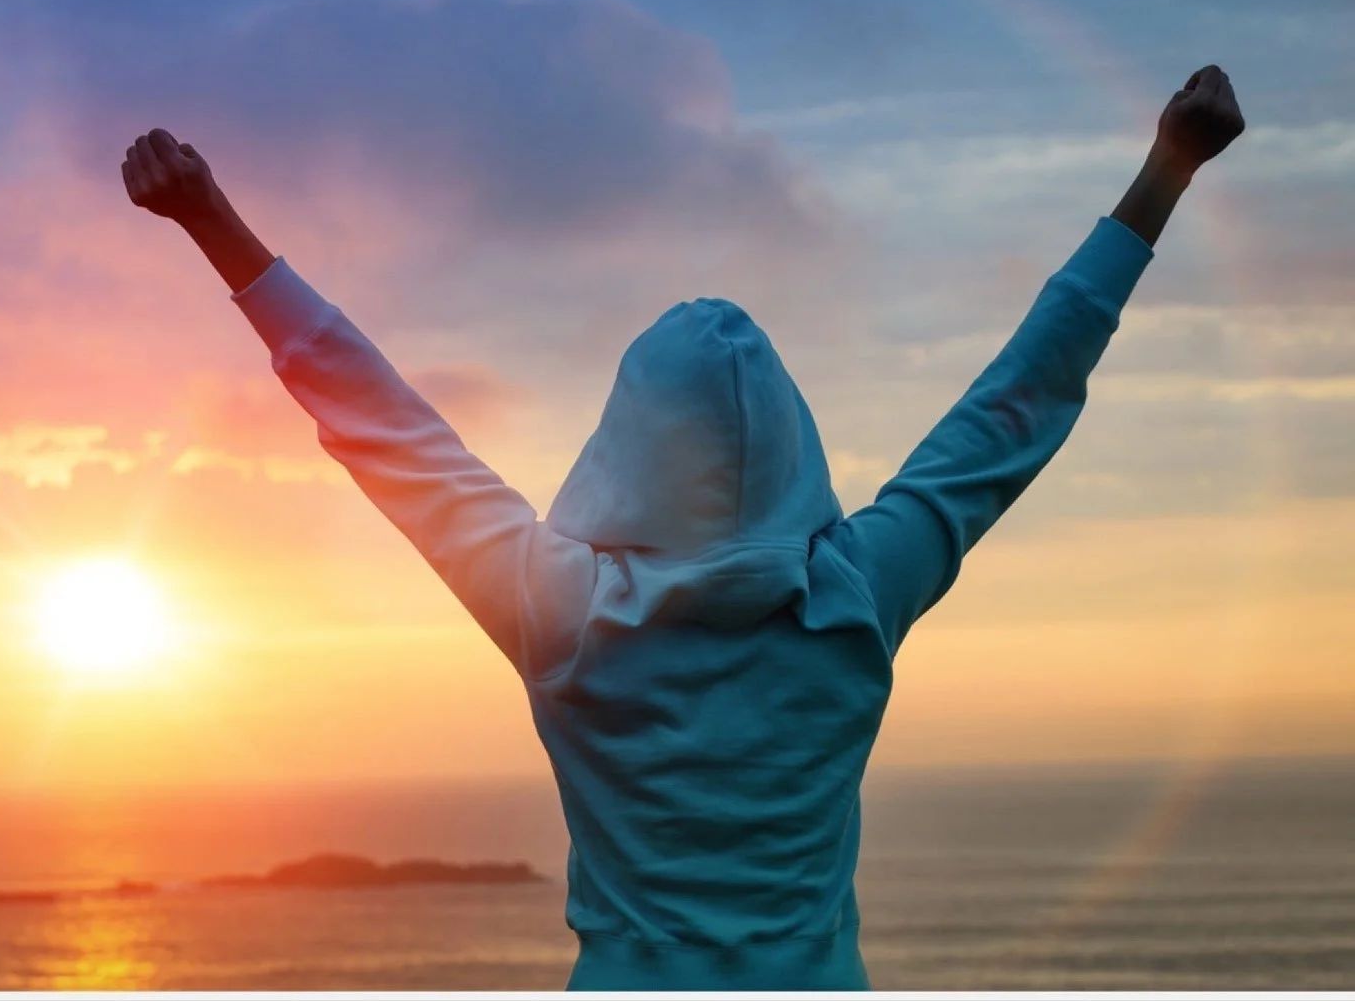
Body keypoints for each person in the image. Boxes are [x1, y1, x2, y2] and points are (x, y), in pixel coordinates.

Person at [122, 64, 1244, 990]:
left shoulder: (559, 608)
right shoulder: (857, 591)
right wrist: (1169, 171)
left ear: (624, 444)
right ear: (793, 436)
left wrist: (209, 221)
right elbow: (1014, 406)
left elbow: (387, 429)